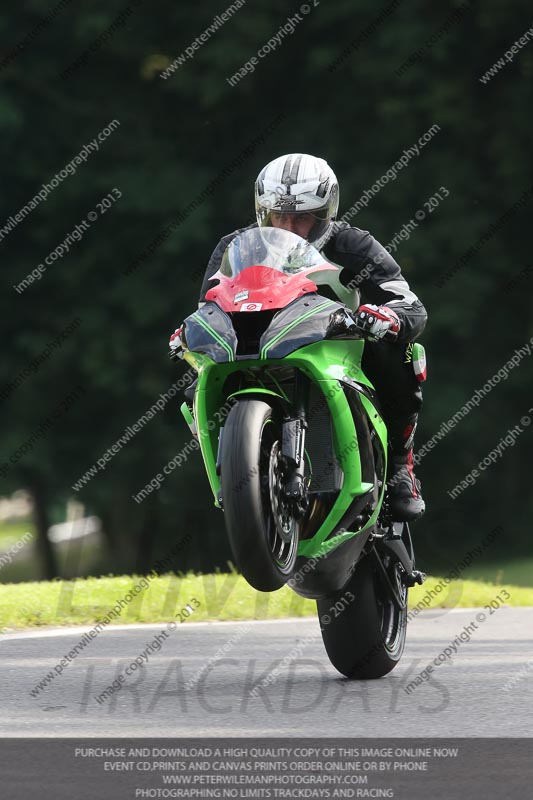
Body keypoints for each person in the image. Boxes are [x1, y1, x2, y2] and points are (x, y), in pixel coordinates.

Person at [198, 153, 427, 521]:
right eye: (279, 216)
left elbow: (410, 304)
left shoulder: (352, 243)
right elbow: (207, 307)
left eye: (302, 218)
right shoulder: (235, 247)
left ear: (325, 213)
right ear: (263, 213)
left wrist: (388, 317)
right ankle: (233, 465)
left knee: (401, 353)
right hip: (254, 349)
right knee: (196, 379)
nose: (289, 227)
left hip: (338, 349)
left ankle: (402, 468)